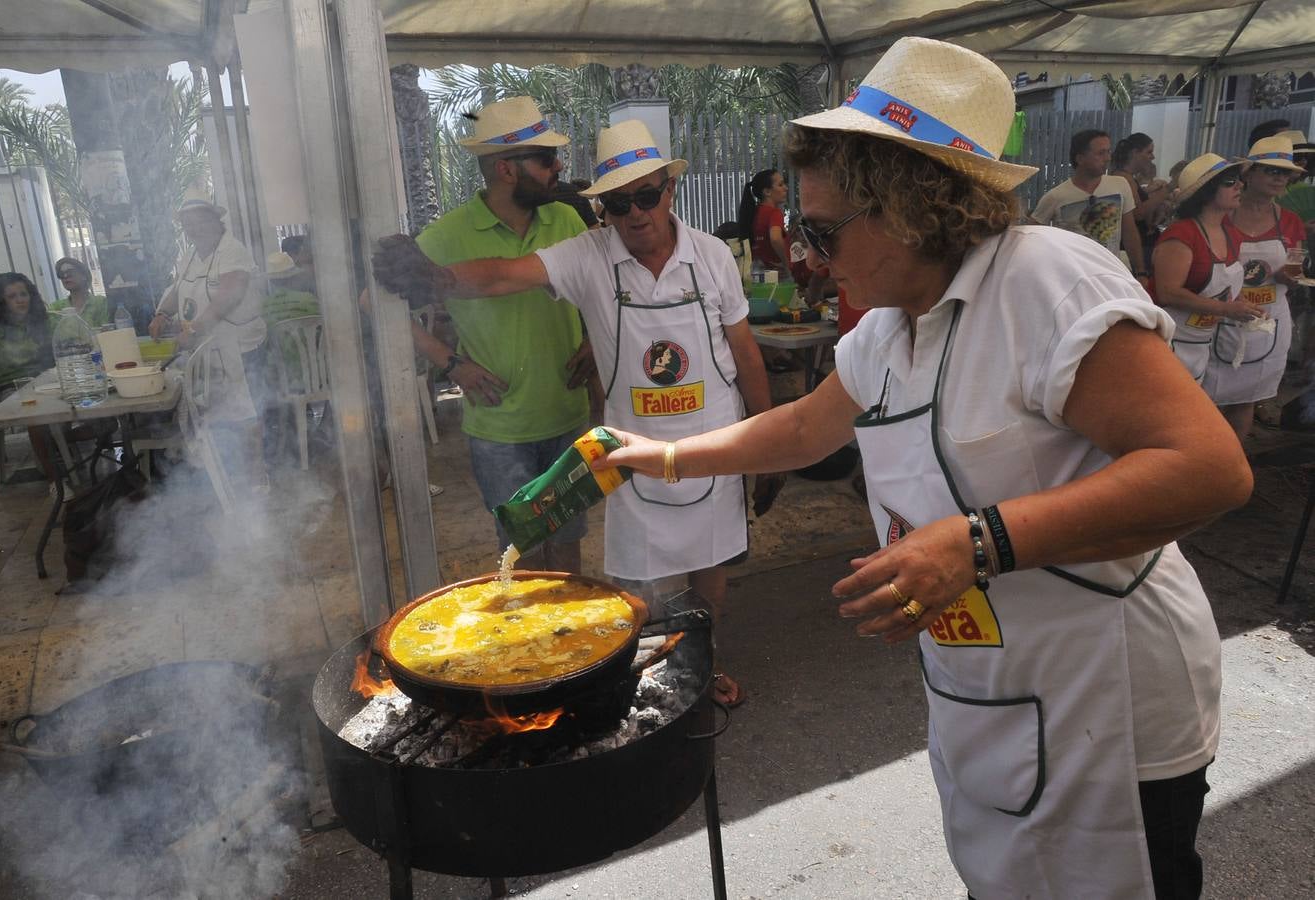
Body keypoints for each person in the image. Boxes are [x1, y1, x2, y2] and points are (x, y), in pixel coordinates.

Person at [593, 37, 1249, 899]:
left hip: (1106, 691)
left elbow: (1207, 468)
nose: (808, 252)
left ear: (910, 208)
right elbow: (801, 427)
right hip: (988, 681)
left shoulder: (1044, 282)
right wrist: (666, 454)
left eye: (822, 230)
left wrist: (974, 543)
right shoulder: (891, 324)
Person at [373, 119, 781, 707]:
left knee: (711, 576)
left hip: (713, 446)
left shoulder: (713, 257)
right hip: (635, 457)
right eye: (619, 203)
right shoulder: (589, 255)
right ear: (606, 210)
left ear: (669, 189)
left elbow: (744, 351)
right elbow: (506, 276)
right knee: (642, 592)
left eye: (646, 196)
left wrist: (763, 444)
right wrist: (434, 278)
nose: (636, 214)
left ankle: (704, 666)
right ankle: (654, 684)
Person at [404, 96, 596, 575]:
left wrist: (595, 340)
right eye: (546, 159)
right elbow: (374, 306)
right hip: (500, 429)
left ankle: (571, 647)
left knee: (568, 545)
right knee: (522, 553)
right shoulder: (449, 235)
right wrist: (451, 364)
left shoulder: (568, 220)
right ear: (506, 170)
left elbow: (598, 288)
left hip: (566, 415)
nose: (559, 167)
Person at [149, 190, 269, 490]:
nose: (193, 229)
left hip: (239, 346)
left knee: (246, 413)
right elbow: (177, 289)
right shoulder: (190, 255)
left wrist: (195, 328)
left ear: (215, 221)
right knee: (220, 411)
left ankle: (257, 478)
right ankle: (228, 475)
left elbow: (230, 294)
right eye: (187, 224)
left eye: (199, 221)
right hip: (208, 347)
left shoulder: (232, 250)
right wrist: (162, 313)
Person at [1201, 135, 1306, 440]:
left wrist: (1290, 276)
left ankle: (1234, 465)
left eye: (1285, 172)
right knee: (1204, 396)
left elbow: (1294, 265)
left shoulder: (1290, 221)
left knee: (1247, 397)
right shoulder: (1220, 214)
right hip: (1218, 316)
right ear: (1250, 173)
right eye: (1273, 170)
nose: (1280, 178)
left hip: (1268, 320)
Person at [1149, 154, 1251, 383]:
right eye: (1229, 182)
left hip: (1203, 341)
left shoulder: (1231, 234)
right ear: (1206, 191)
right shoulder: (1182, 235)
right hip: (1168, 339)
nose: (1240, 185)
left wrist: (1241, 305)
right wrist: (1225, 309)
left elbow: (1228, 284)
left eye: (1238, 180)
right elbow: (1169, 292)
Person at [0, 273, 61, 481]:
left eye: (23, 294)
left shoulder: (46, 320)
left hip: (48, 382)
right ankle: (56, 481)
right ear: (2, 301)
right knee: (35, 413)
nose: (20, 300)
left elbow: (71, 332)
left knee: (96, 413)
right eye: (12, 296)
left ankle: (60, 441)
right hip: (11, 388)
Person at [1031, 128, 1147, 278]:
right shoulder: (1056, 196)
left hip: (1111, 272)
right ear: (1080, 158)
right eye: (1100, 153)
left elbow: (1129, 231)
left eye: (1108, 152)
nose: (1107, 158)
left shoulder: (1120, 184)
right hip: (1073, 275)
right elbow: (1033, 234)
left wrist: (1140, 271)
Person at [1110, 132, 1171, 266]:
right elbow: (1138, 213)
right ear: (1135, 153)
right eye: (1149, 152)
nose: (1152, 157)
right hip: (1140, 244)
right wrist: (1166, 191)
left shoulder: (1129, 178)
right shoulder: (1123, 178)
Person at [738, 168, 792, 275]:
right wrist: (788, 264)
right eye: (780, 185)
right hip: (776, 275)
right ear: (767, 192)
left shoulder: (752, 213)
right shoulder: (774, 213)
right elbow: (775, 238)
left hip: (756, 273)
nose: (786, 188)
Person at [48, 257, 110, 328]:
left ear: (84, 276)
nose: (65, 276)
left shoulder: (101, 303)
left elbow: (107, 331)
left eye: (70, 273)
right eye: (61, 274)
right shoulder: (56, 308)